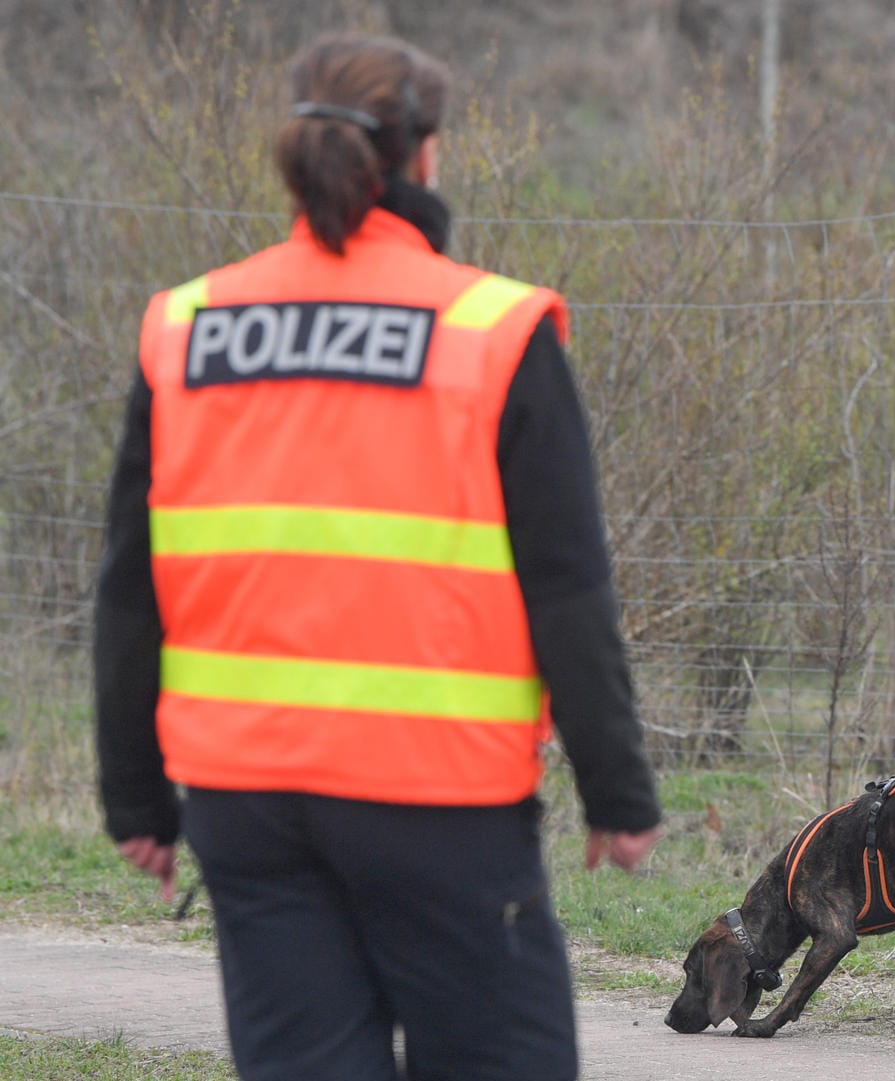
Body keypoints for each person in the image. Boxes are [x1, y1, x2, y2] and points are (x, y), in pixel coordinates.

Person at [93, 33, 663, 1081]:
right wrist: (618, 794)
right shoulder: (489, 329)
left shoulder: (187, 326)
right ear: (426, 157)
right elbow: (567, 586)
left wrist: (136, 798)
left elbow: (131, 588)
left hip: (244, 796)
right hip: (438, 797)